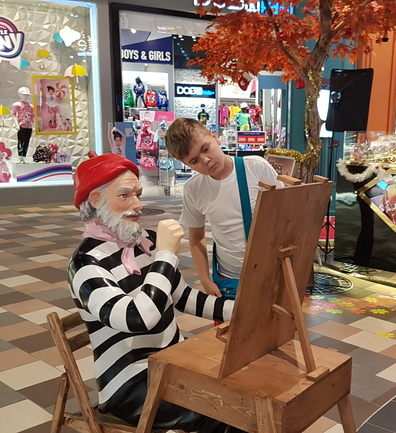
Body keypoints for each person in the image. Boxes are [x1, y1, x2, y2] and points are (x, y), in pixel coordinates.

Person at [68, 153, 237, 431]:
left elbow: (182, 296)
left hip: (172, 362)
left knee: (244, 391)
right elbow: (138, 318)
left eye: (137, 194)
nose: (137, 205)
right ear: (96, 200)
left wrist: (239, 310)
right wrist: (166, 255)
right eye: (124, 196)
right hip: (130, 384)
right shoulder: (86, 264)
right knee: (229, 412)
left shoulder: (144, 241)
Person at [165, 118, 281, 300]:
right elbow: (196, 238)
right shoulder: (194, 189)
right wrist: (205, 280)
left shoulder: (256, 167)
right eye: (194, 161)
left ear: (214, 137)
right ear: (187, 165)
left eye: (205, 149)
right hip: (229, 279)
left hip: (271, 272)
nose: (206, 160)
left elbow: (284, 215)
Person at [12, 87, 34, 164]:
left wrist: (33, 124)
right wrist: (16, 124)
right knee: (21, 141)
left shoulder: (31, 106)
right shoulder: (17, 104)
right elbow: (14, 114)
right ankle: (20, 156)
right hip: (21, 125)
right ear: (20, 94)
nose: (25, 96)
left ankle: (24, 156)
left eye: (26, 95)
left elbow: (33, 116)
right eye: (24, 94)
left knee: (27, 141)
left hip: (29, 125)